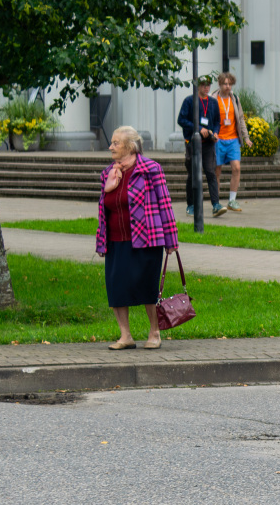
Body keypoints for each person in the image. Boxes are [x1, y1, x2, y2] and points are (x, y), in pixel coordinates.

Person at [95, 126, 178, 351]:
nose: (111, 147)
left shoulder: (151, 169)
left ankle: (154, 332)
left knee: (147, 287)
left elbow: (164, 203)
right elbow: (104, 209)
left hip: (146, 238)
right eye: (112, 143)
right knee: (116, 288)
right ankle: (126, 336)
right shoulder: (108, 173)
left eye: (116, 143)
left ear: (130, 147)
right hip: (115, 240)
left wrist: (171, 239)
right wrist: (101, 240)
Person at [176, 76, 222, 218]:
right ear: (197, 86)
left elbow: (217, 121)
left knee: (211, 173)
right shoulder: (189, 101)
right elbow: (181, 120)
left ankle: (216, 205)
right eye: (203, 85)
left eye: (208, 85)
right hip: (193, 143)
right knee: (193, 174)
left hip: (208, 143)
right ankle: (191, 205)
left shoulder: (213, 102)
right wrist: (198, 128)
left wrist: (215, 132)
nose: (206, 88)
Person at [213, 71, 245, 213]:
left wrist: (246, 137)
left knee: (236, 168)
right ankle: (216, 201)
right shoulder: (213, 99)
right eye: (225, 84)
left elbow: (241, 118)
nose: (228, 86)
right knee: (217, 171)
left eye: (230, 84)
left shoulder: (235, 99)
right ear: (220, 84)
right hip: (218, 140)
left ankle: (232, 200)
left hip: (233, 139)